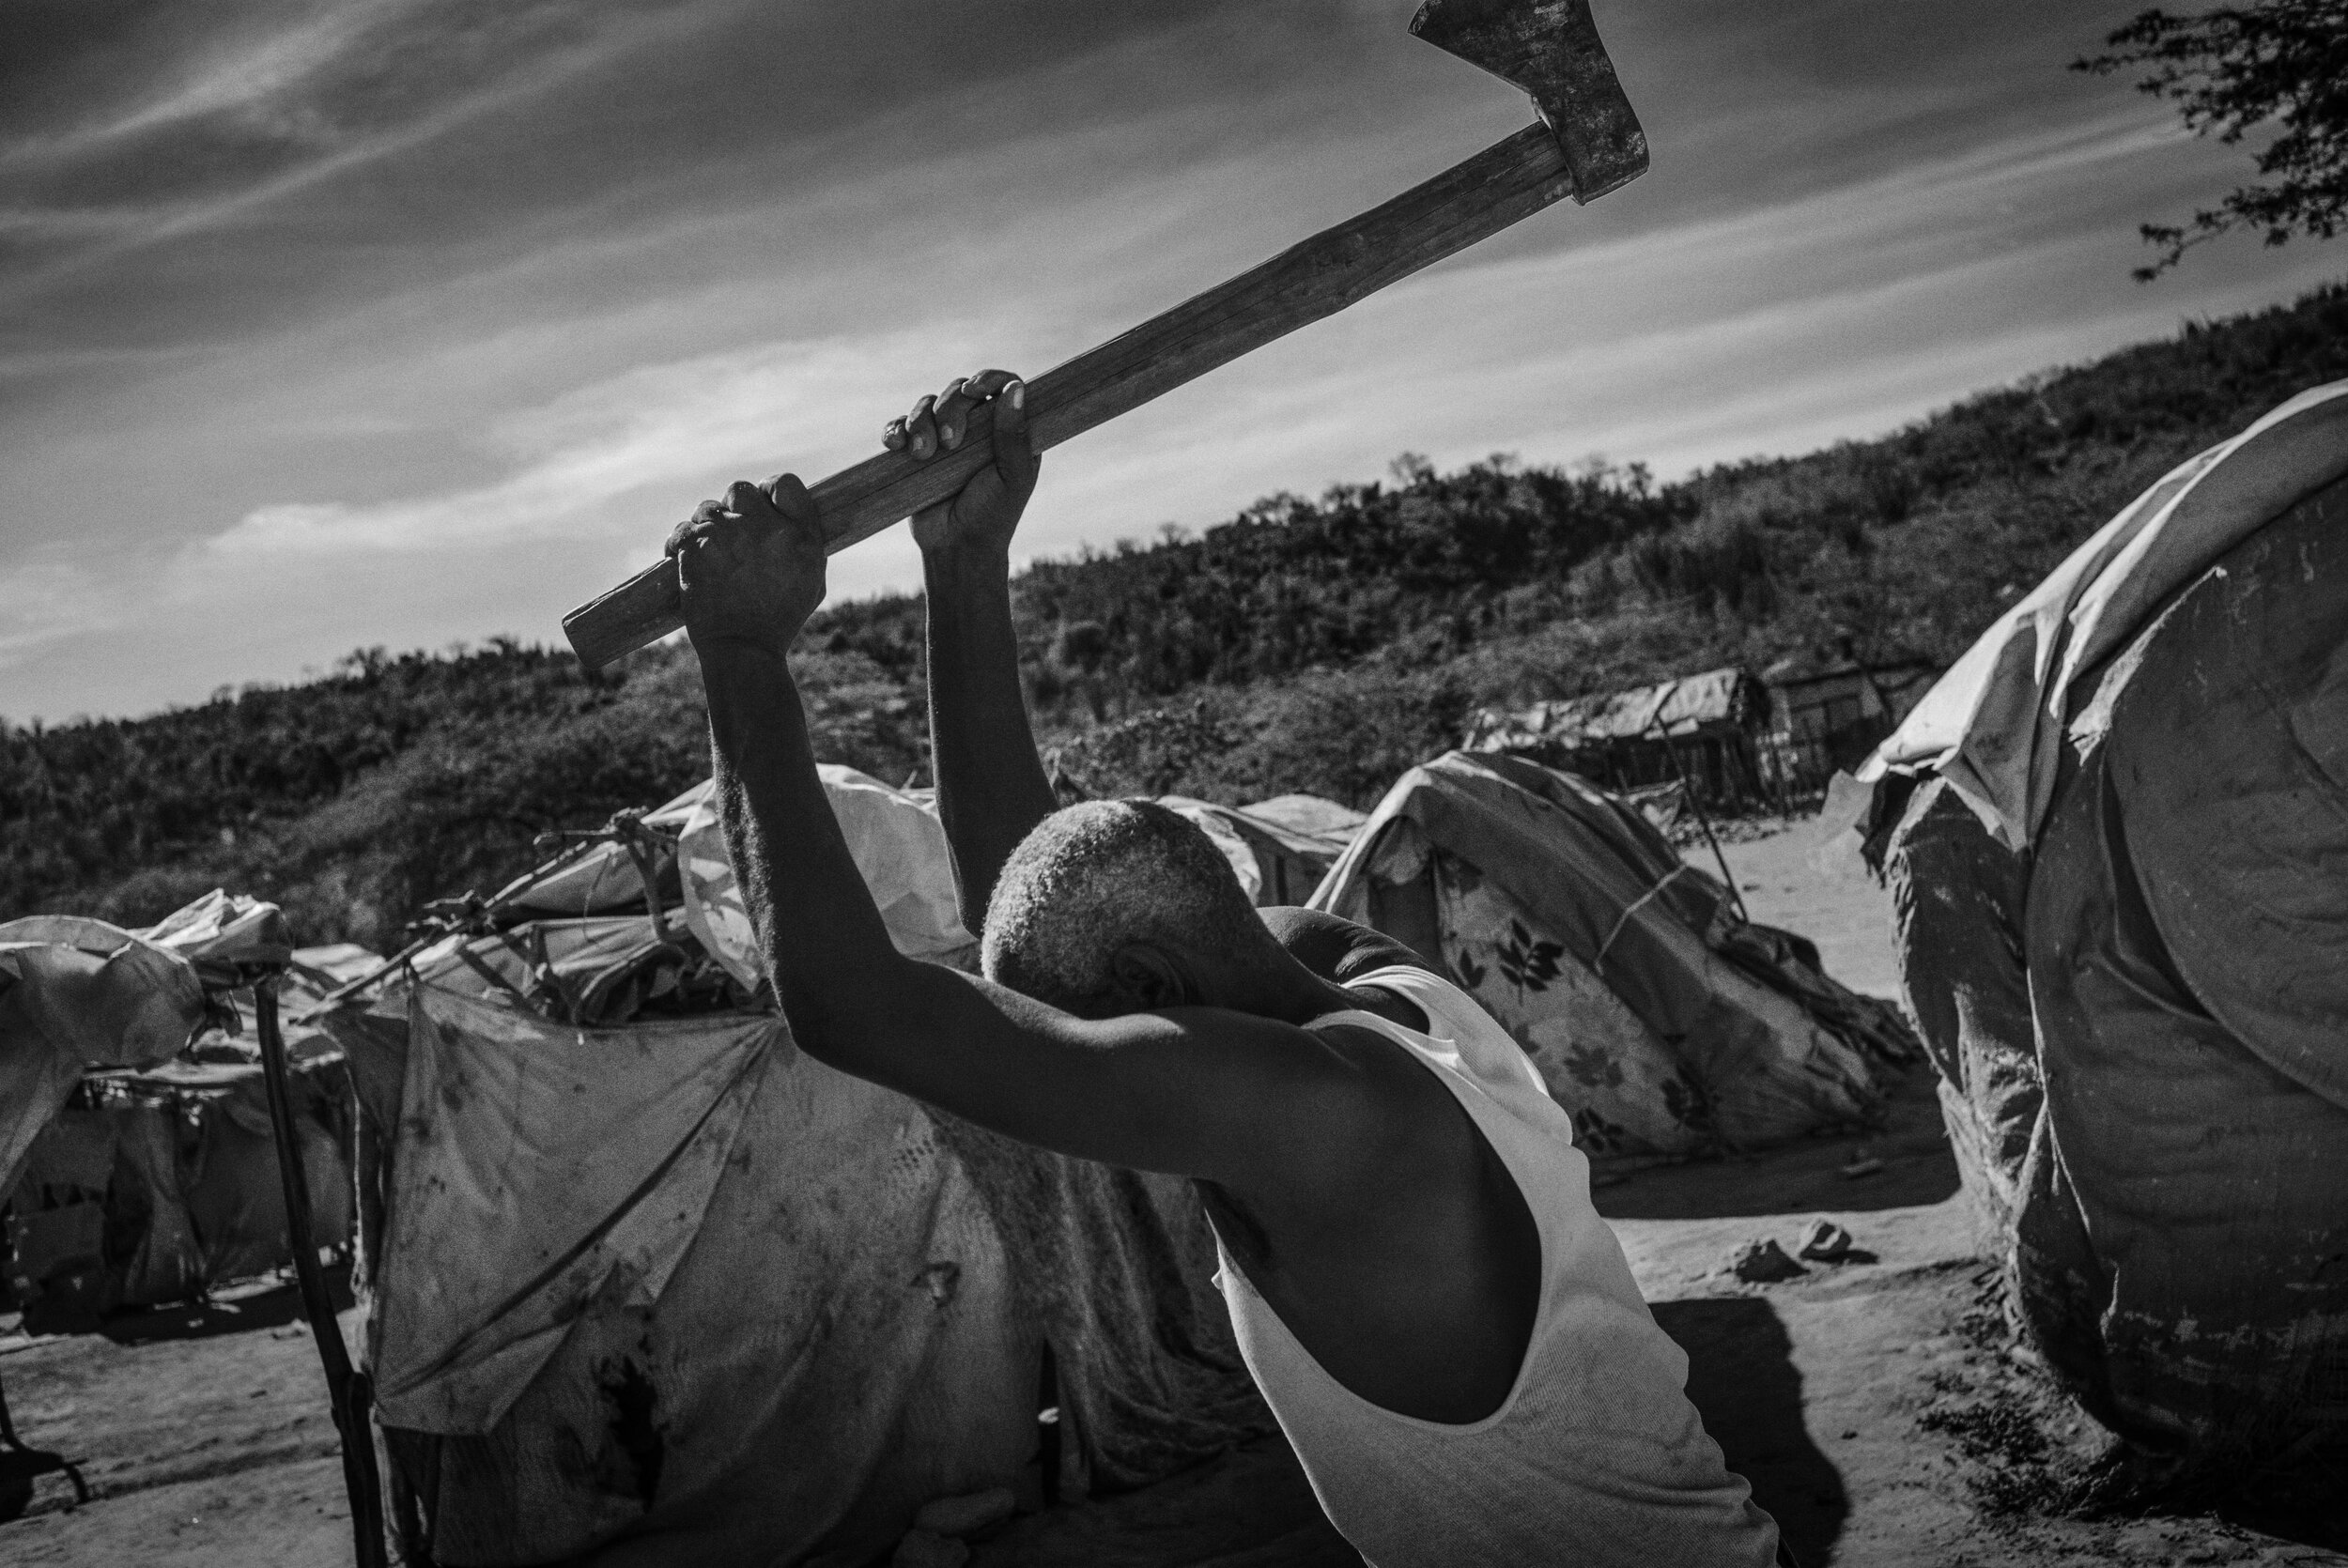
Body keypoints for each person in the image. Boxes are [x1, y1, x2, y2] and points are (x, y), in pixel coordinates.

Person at [668, 370, 1784, 1567]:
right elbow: (1026, 903)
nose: (1099, 1067)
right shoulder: (1357, 980)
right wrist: (963, 560)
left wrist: (738, 650)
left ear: (1151, 992)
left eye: (1106, 1033)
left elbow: (855, 1009)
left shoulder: (1314, 1112)